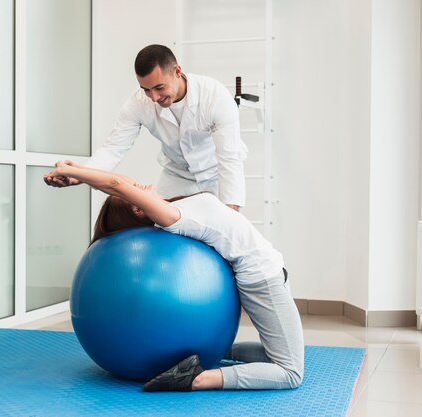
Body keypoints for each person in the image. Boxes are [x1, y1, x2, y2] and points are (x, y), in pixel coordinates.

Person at [43, 161, 304, 392]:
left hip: (266, 275)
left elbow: (116, 184)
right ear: (137, 209)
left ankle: (209, 354)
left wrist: (81, 172)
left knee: (278, 357)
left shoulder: (175, 207)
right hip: (263, 280)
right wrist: (74, 172)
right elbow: (116, 184)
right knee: (290, 372)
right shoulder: (171, 217)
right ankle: (199, 379)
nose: (138, 184)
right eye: (133, 189)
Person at [45, 44, 248, 211]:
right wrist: (77, 176)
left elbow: (229, 159)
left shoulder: (214, 96)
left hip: (216, 176)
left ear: (177, 71)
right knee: (159, 228)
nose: (154, 97)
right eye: (146, 89)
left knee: (225, 238)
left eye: (159, 88)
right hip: (176, 175)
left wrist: (231, 213)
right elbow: (112, 150)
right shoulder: (139, 103)